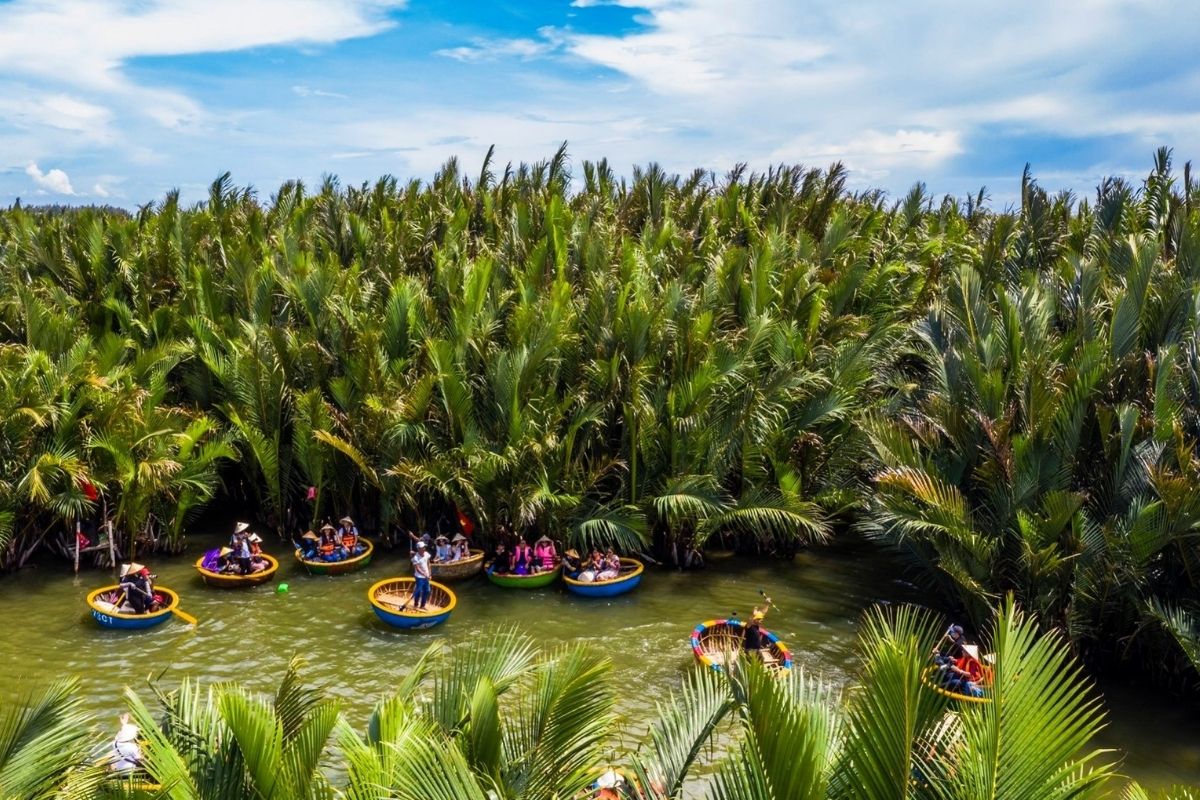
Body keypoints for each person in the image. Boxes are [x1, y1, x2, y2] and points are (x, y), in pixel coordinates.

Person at [411, 541, 432, 610]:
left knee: (427, 590)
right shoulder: (415, 558)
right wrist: (424, 574)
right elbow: (417, 569)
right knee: (418, 591)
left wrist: (429, 573)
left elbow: (429, 564)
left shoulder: (426, 554)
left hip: (426, 576)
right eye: (422, 548)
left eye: (424, 547)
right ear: (418, 549)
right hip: (419, 577)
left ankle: (422, 605)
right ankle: (416, 604)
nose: (424, 549)